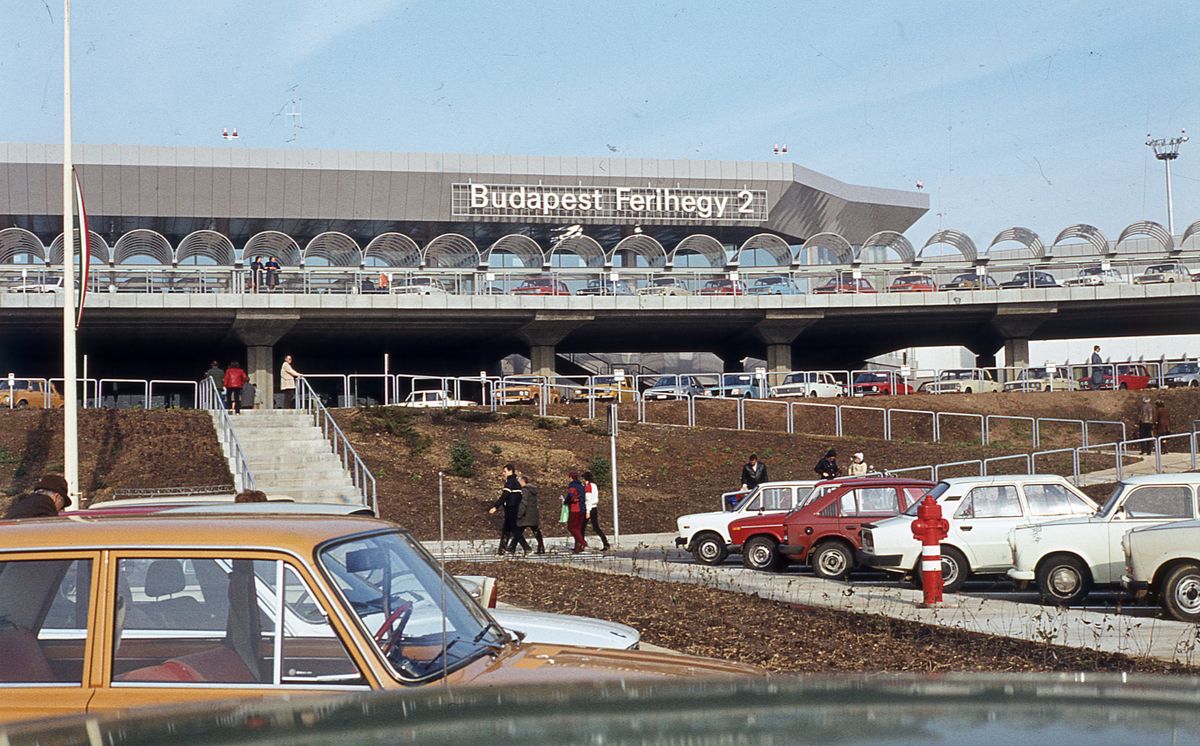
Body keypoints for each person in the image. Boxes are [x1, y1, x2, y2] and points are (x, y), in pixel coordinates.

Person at [489, 464, 528, 555]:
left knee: (514, 529)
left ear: (510, 471)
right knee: (506, 529)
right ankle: (501, 550)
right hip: (512, 507)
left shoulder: (510, 482)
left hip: (511, 508)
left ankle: (527, 547)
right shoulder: (515, 482)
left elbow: (504, 496)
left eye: (505, 471)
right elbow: (518, 496)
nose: (503, 473)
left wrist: (496, 507)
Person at [4, 474, 71, 518]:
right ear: (56, 497)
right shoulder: (45, 505)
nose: (59, 511)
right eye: (61, 507)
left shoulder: (23, 503)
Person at [514, 474, 545, 554]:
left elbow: (523, 503)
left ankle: (513, 547)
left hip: (526, 514)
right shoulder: (533, 490)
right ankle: (541, 547)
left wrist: (519, 513)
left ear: (522, 481)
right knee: (535, 530)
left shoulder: (524, 490)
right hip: (533, 514)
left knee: (518, 530)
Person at [581, 470, 611, 552]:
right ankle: (605, 543)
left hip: (589, 508)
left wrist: (587, 511)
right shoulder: (594, 485)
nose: (582, 480)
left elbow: (588, 499)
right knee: (596, 527)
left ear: (585, 478)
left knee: (582, 527)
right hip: (594, 508)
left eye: (583, 478)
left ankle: (581, 544)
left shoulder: (588, 487)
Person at [564, 470, 587, 553]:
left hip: (575, 509)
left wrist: (566, 502)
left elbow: (570, 495)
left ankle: (582, 542)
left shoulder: (572, 485)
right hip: (582, 509)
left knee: (571, 527)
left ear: (571, 477)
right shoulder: (581, 485)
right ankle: (578, 548)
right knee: (578, 528)